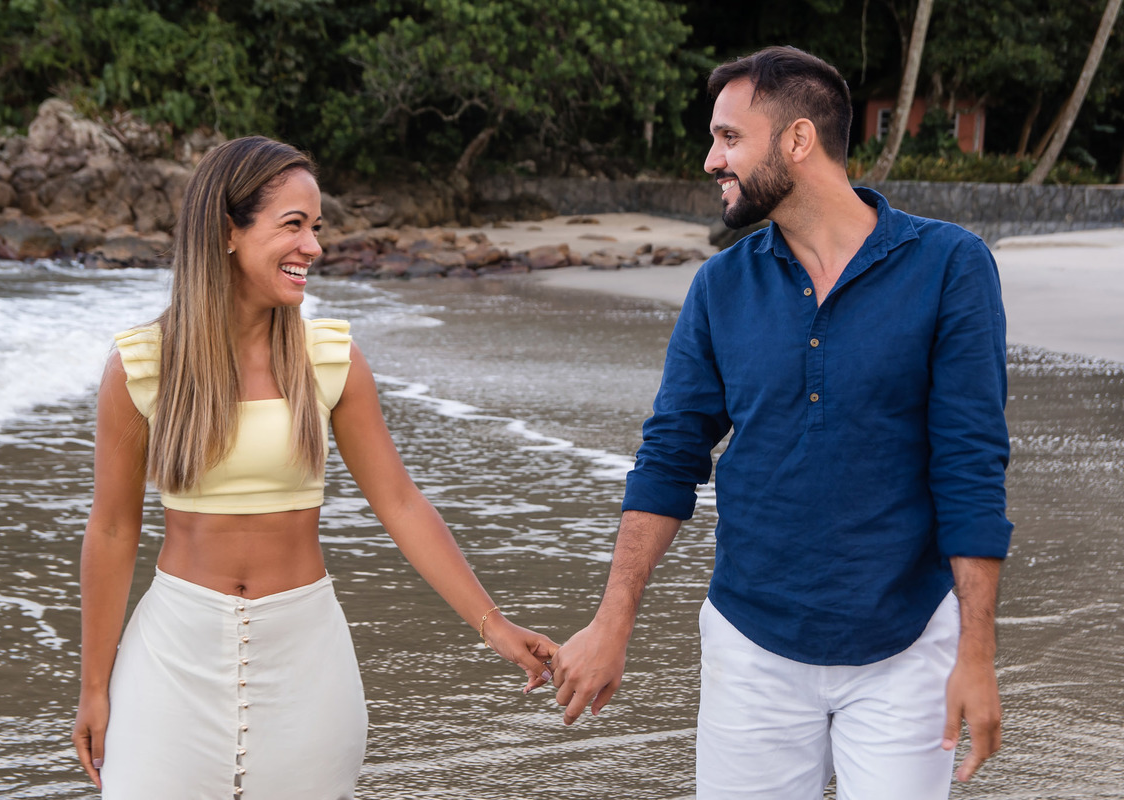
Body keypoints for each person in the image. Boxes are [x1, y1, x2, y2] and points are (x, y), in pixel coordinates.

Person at [551, 46, 1012, 799]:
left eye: (729, 137)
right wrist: (612, 623)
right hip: (750, 643)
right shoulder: (719, 286)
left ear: (798, 140)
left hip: (906, 643)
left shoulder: (950, 266)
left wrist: (978, 653)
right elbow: (669, 458)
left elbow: (969, 466)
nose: (711, 160)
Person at [72, 135, 557, 799]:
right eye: (293, 226)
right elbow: (111, 531)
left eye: (317, 228)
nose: (314, 248)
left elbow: (400, 502)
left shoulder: (330, 360)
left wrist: (493, 624)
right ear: (227, 234)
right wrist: (94, 688)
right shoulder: (140, 366)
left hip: (306, 659)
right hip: (170, 659)